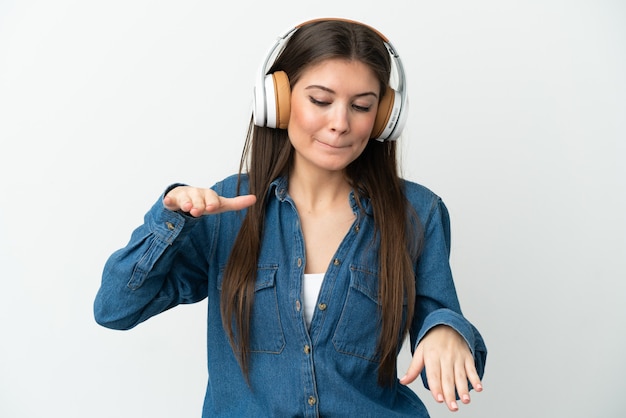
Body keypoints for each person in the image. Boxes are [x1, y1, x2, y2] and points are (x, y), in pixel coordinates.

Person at [94, 17, 487, 417]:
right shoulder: (224, 208)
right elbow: (115, 309)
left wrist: (445, 331)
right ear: (278, 101)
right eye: (320, 100)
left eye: (362, 106)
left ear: (385, 116)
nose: (340, 123)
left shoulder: (418, 214)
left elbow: (439, 320)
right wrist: (172, 220)